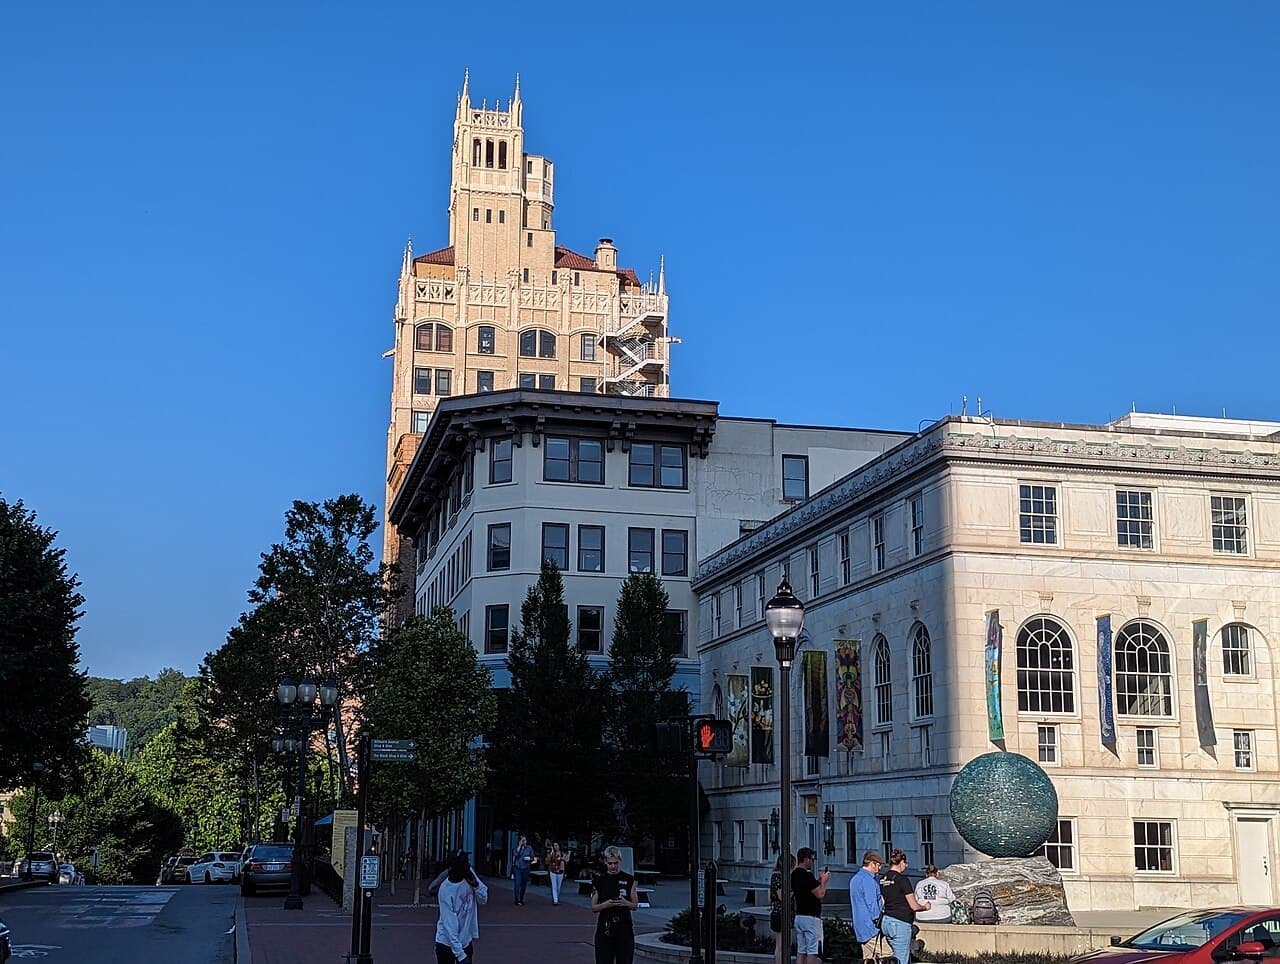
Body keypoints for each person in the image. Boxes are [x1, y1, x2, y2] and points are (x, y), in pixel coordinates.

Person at [435, 851, 488, 964]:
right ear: (455, 868)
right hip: (446, 943)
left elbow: (483, 899)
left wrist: (476, 886)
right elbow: (449, 926)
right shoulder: (445, 890)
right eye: (464, 864)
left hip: (465, 942)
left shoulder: (469, 875)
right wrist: (461, 955)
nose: (468, 866)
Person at [879, 849, 931, 964]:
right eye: (905, 863)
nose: (906, 866)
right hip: (900, 922)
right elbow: (913, 906)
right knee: (901, 959)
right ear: (901, 862)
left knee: (897, 956)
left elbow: (882, 901)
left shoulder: (883, 879)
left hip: (886, 921)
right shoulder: (902, 880)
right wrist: (925, 907)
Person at [591, 845, 638, 964]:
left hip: (624, 927)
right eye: (610, 863)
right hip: (605, 927)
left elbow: (635, 905)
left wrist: (625, 903)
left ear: (620, 861)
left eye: (616, 863)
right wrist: (606, 904)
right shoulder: (599, 880)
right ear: (605, 862)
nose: (613, 866)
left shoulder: (629, 880)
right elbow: (594, 907)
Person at [790, 847, 830, 964]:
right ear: (806, 859)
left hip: (800, 915)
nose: (812, 862)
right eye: (811, 859)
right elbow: (820, 894)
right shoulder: (806, 875)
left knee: (801, 950)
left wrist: (818, 881)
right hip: (811, 918)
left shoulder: (794, 875)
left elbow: (807, 889)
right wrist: (824, 881)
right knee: (813, 950)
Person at [849, 850, 885, 962]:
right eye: (879, 865)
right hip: (872, 928)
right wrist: (879, 921)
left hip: (860, 928)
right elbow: (872, 904)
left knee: (868, 959)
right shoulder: (868, 880)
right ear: (873, 863)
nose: (879, 869)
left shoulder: (855, 879)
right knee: (888, 955)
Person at [769, 853, 796, 964]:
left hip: (778, 912)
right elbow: (781, 896)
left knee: (781, 944)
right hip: (781, 913)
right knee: (781, 945)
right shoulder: (779, 877)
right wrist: (793, 891)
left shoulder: (776, 876)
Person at [511, 834, 534, 905]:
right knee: (517, 884)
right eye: (522, 840)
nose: (524, 842)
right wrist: (519, 847)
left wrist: (530, 859)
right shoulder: (516, 848)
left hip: (526, 868)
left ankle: (521, 899)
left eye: (525, 840)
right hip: (517, 868)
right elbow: (515, 854)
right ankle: (516, 899)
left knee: (524, 884)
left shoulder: (529, 848)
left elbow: (532, 857)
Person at [547, 841, 566, 905]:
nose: (555, 847)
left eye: (556, 845)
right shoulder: (552, 853)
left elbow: (566, 860)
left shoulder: (562, 853)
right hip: (553, 870)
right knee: (554, 885)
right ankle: (555, 900)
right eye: (554, 845)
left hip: (560, 870)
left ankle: (556, 898)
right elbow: (548, 859)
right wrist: (551, 851)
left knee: (559, 886)